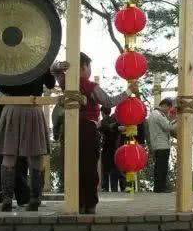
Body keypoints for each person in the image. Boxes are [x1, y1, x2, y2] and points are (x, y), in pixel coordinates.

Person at [52, 53, 136, 214]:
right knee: (89, 167)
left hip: (68, 128)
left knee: (71, 166)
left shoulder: (65, 82)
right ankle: (90, 204)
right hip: (87, 129)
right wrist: (128, 91)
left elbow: (54, 70)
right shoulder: (90, 86)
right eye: (89, 67)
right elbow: (109, 102)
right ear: (83, 67)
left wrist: (59, 66)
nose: (90, 70)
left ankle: (77, 202)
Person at [0, 71, 56, 211]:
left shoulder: (9, 63)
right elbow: (50, 84)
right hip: (33, 109)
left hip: (12, 108)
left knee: (9, 155)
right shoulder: (41, 61)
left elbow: (2, 86)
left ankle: (7, 199)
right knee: (36, 155)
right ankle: (35, 199)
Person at [147, 98, 176, 193]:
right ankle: (160, 188)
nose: (169, 111)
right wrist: (176, 120)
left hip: (158, 144)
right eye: (169, 108)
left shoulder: (155, 114)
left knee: (159, 167)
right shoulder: (158, 115)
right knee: (162, 168)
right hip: (161, 144)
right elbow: (168, 126)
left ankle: (159, 187)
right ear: (164, 105)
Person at [99, 106, 125, 192]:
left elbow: (105, 127)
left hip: (107, 147)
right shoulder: (116, 120)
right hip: (116, 147)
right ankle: (115, 188)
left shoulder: (103, 121)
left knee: (106, 169)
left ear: (102, 112)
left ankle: (105, 188)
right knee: (115, 168)